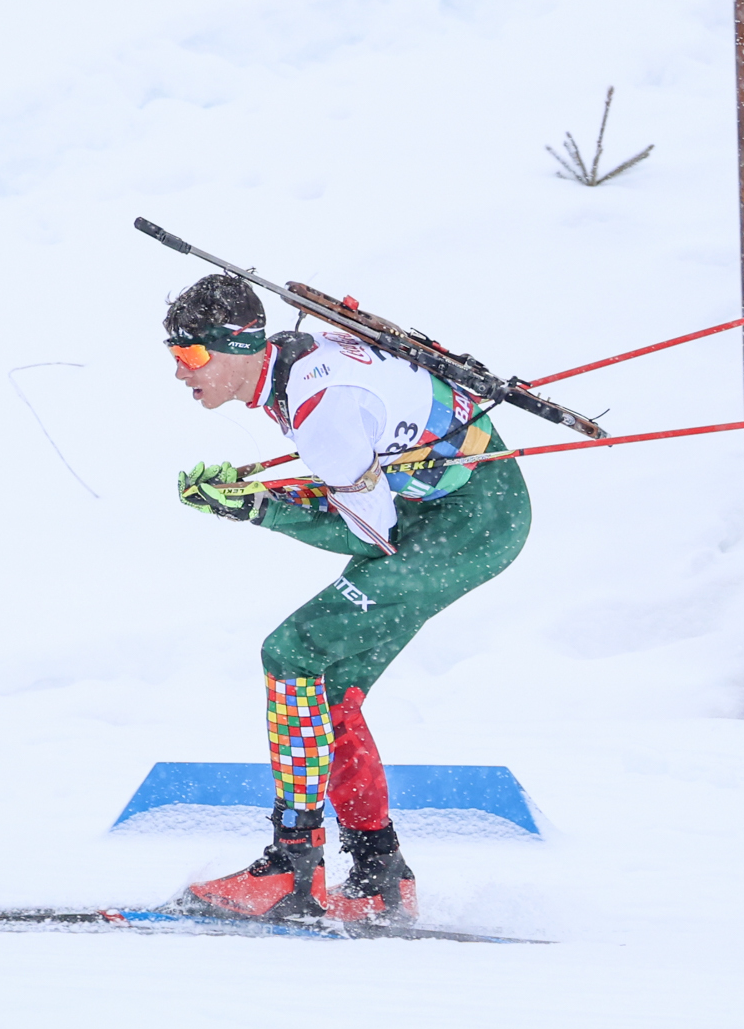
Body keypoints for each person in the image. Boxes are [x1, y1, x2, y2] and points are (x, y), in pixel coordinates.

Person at [161, 272, 531, 923]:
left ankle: (292, 868)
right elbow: (363, 491)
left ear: (240, 347)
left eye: (191, 354)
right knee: (326, 689)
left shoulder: (319, 406)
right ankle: (379, 873)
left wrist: (260, 508)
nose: (179, 371)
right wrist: (260, 500)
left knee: (292, 652)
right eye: (174, 354)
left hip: (468, 525)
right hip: (449, 506)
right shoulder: (293, 364)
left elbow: (370, 534)